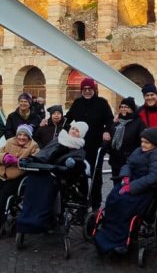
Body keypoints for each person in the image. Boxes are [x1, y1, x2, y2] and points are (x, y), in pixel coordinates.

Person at [93, 127, 157, 255]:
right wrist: (126, 177)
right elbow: (128, 164)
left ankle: (119, 240)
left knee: (125, 204)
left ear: (155, 143)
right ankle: (107, 234)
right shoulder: (139, 150)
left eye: (146, 142)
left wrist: (132, 186)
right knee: (113, 198)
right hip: (131, 180)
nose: (143, 145)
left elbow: (155, 177)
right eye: (142, 141)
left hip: (146, 188)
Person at [15, 122, 88, 235]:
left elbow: (77, 165)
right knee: (32, 180)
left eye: (77, 131)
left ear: (81, 134)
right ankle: (27, 220)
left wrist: (69, 165)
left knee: (47, 187)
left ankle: (41, 220)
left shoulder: (79, 149)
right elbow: (43, 154)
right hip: (45, 171)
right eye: (72, 128)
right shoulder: (58, 140)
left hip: (59, 177)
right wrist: (32, 159)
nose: (73, 131)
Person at [63, 77, 114, 211]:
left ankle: (96, 204)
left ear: (94, 90)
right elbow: (68, 118)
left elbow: (109, 120)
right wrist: (58, 125)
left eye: (90, 89)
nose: (87, 91)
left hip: (96, 144)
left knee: (96, 175)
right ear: (81, 90)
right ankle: (82, 202)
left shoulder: (102, 103)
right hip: (80, 145)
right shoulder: (77, 102)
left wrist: (107, 131)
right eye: (85, 89)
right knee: (81, 174)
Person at [108, 97, 143, 180]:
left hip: (130, 161)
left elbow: (141, 141)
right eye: (122, 107)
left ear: (132, 109)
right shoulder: (116, 123)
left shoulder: (138, 123)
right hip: (115, 161)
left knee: (126, 186)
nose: (124, 109)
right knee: (116, 185)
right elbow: (110, 138)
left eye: (127, 107)